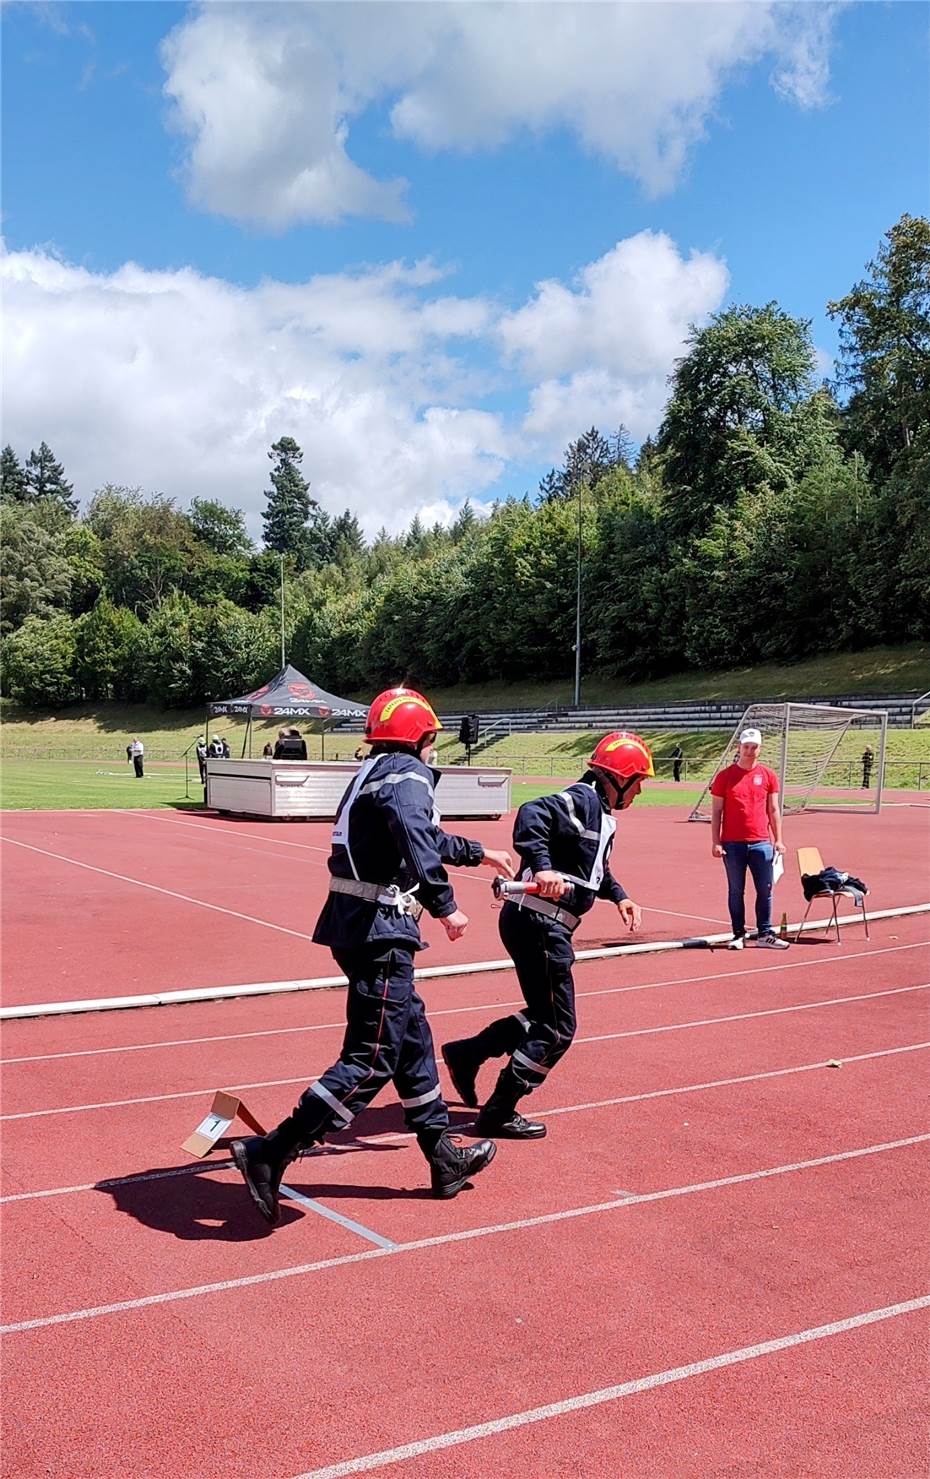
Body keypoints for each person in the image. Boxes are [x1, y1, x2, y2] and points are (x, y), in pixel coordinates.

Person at [232, 686, 516, 1223]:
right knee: (371, 1056)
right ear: (422, 737)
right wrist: (446, 905)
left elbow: (418, 836)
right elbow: (415, 835)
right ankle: (272, 1151)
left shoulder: (374, 772)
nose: (436, 749)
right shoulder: (408, 776)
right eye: (433, 739)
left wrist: (480, 853)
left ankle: (441, 1155)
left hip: (355, 920)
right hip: (379, 930)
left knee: (412, 1037)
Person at [441, 731, 652, 1140]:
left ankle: (468, 1053)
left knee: (544, 1017)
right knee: (558, 1029)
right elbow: (532, 812)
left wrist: (620, 897)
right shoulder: (583, 799)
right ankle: (498, 1112)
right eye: (639, 780)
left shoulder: (601, 814)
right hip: (540, 923)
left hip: (537, 922)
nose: (641, 790)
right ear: (620, 776)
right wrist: (540, 867)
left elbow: (592, 872)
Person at [711, 727, 788, 950]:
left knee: (765, 889)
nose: (750, 751)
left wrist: (778, 839)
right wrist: (715, 841)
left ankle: (765, 933)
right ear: (739, 747)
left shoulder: (768, 776)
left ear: (760, 749)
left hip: (761, 841)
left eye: (754, 747)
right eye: (746, 747)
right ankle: (738, 934)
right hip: (732, 844)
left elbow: (773, 810)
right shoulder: (724, 777)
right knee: (736, 890)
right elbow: (717, 812)